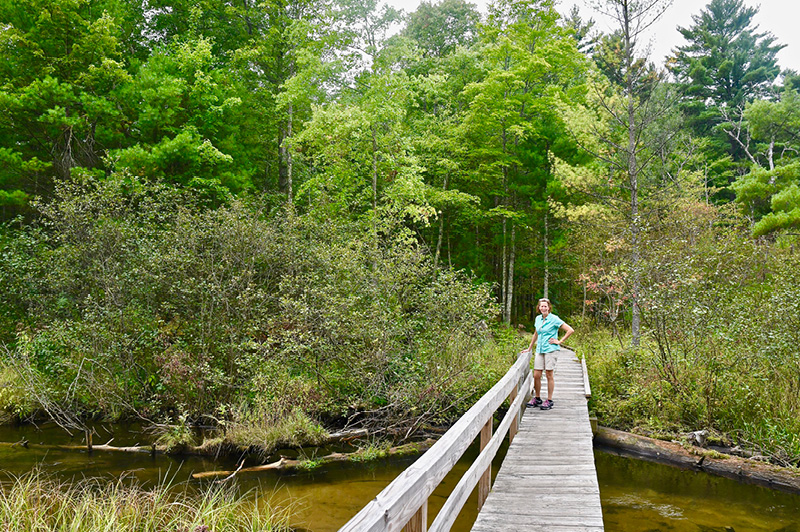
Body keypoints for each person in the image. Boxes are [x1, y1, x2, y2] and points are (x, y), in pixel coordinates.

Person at [524, 298, 574, 410]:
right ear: (539, 307)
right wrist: (530, 347)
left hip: (551, 350)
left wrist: (560, 341)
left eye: (545, 306)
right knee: (536, 375)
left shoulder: (554, 319)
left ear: (549, 307)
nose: (543, 308)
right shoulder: (538, 319)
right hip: (540, 350)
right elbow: (536, 333)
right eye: (541, 306)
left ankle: (549, 400)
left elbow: (570, 330)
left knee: (548, 374)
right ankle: (537, 398)